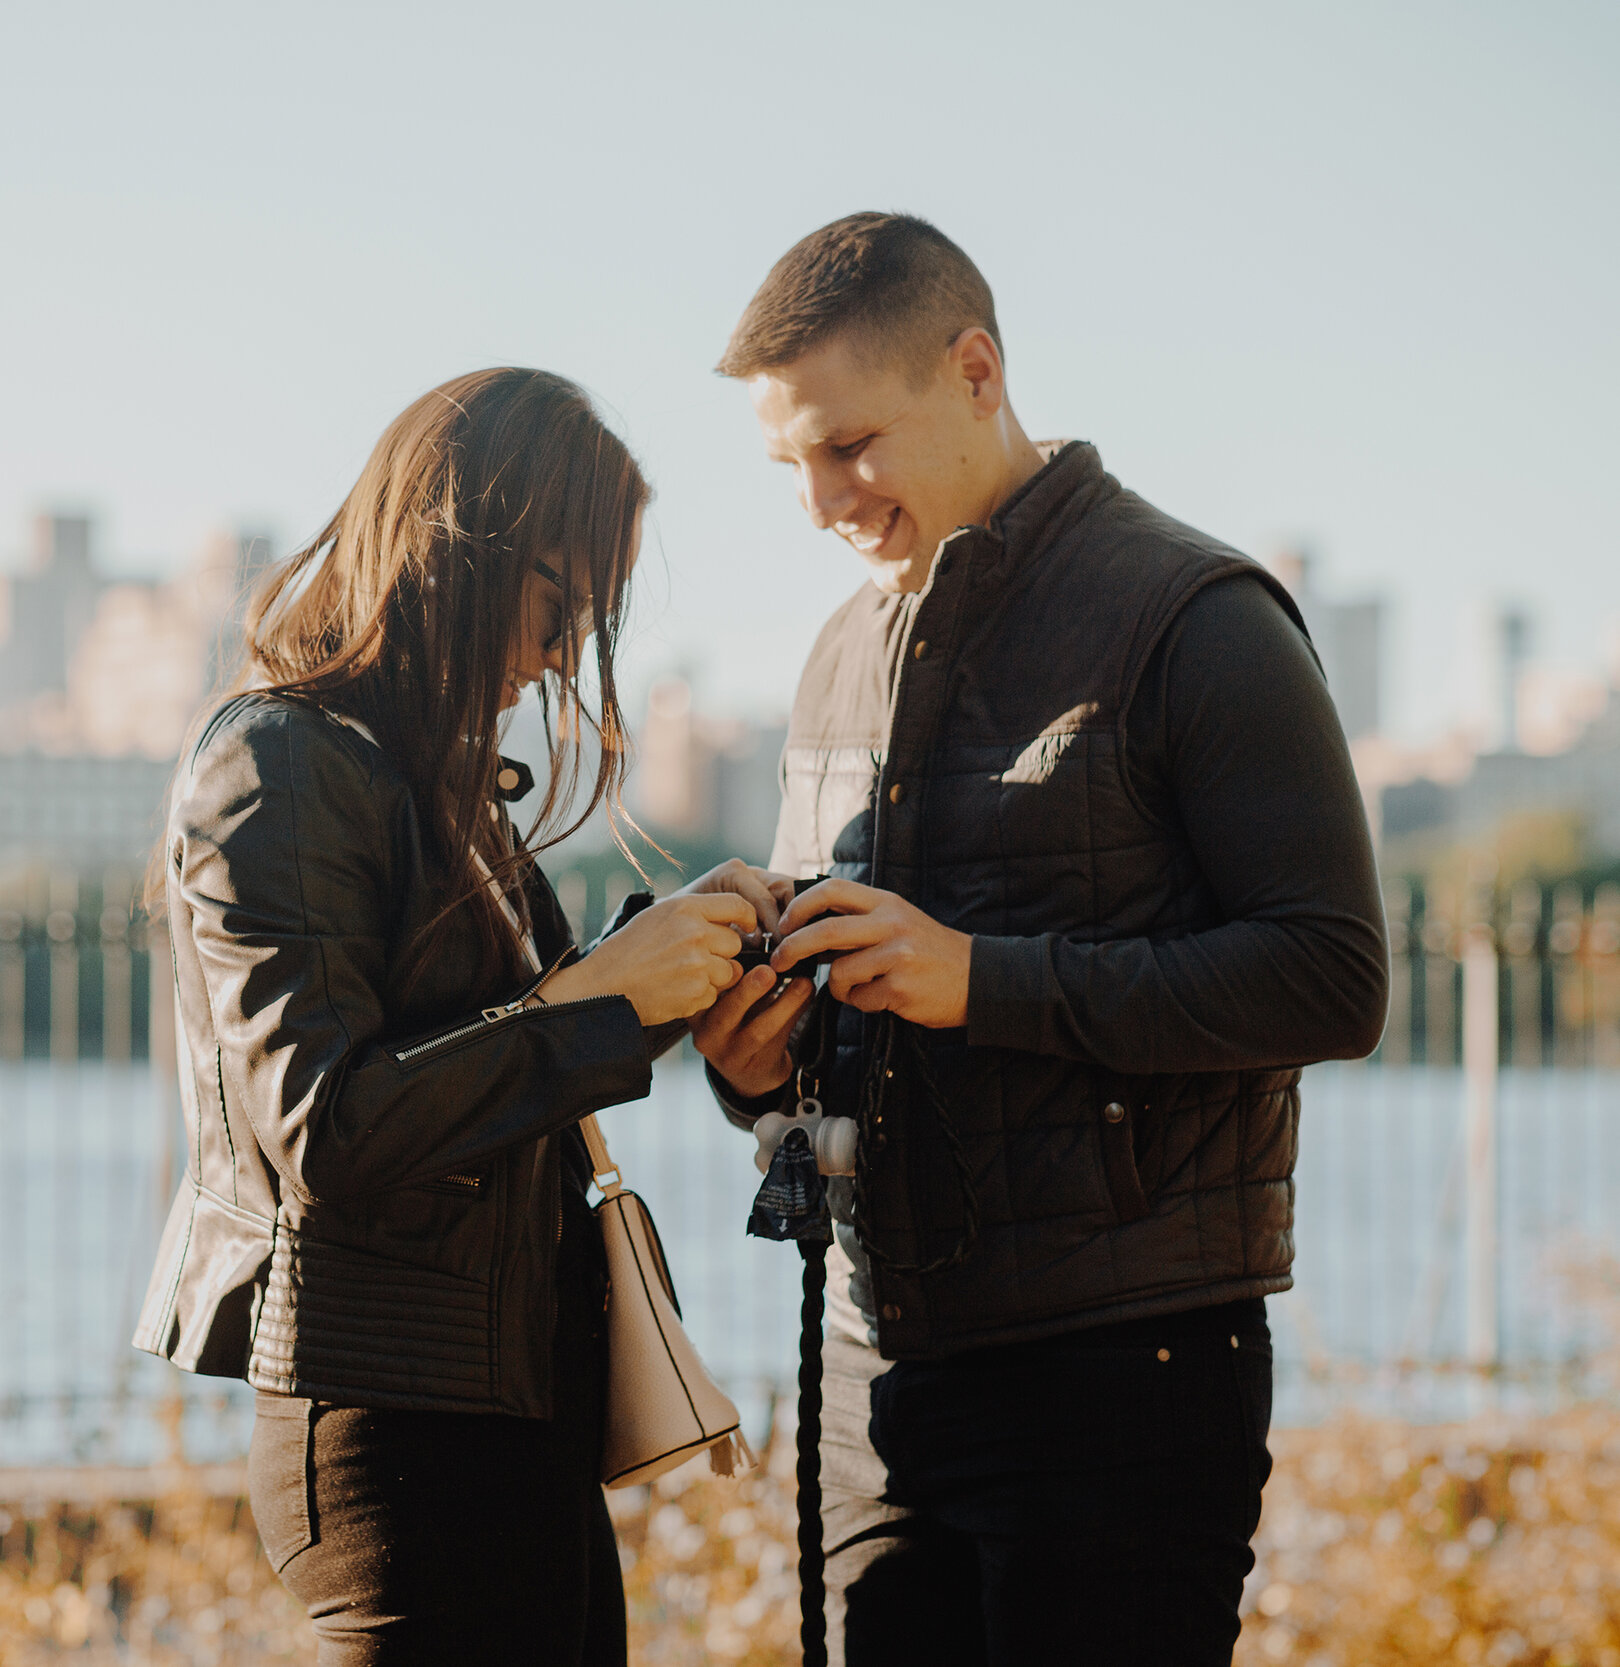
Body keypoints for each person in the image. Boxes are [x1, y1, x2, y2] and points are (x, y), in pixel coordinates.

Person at [688, 214, 1389, 1666]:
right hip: (873, 1370)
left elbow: (1333, 975)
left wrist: (977, 980)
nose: (821, 499)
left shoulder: (1197, 617)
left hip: (1125, 1375)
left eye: (851, 444)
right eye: (793, 464)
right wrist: (756, 1063)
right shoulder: (836, 652)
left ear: (977, 369)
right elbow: (853, 1023)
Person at [132, 366, 782, 1664]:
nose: (556, 657)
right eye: (558, 605)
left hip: (509, 1411)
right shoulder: (278, 767)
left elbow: (509, 1047)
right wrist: (606, 997)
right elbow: (330, 1132)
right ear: (456, 554)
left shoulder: (438, 792)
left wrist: (679, 971)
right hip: (393, 1432)